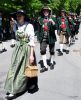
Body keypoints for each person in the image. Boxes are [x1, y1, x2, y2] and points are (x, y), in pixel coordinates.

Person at [4, 10, 37, 99]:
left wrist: (31, 55)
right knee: (14, 68)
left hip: (26, 50)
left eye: (20, 16)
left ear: (24, 16)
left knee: (23, 71)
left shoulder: (29, 26)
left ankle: (15, 90)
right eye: (17, 16)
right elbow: (15, 37)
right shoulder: (16, 25)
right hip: (18, 50)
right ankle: (11, 87)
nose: (18, 17)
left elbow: (32, 41)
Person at [37, 6, 57, 73]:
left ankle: (51, 62)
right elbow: (38, 29)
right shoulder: (40, 19)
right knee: (42, 50)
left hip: (51, 37)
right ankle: (45, 66)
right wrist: (38, 38)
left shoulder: (53, 18)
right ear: (43, 12)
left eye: (47, 11)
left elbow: (56, 27)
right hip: (43, 37)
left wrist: (53, 22)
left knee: (52, 51)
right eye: (44, 11)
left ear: (49, 12)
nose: (46, 12)